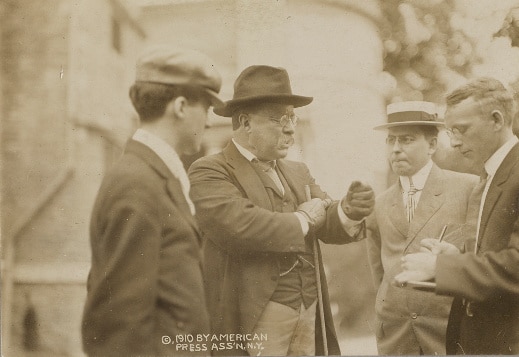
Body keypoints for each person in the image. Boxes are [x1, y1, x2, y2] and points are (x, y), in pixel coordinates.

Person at [188, 65, 375, 356]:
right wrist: (303, 218)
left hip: (308, 308)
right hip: (253, 315)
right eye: (279, 119)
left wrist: (348, 210)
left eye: (292, 117)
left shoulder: (298, 172)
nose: (290, 128)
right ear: (246, 122)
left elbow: (326, 219)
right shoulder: (210, 171)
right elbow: (240, 225)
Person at [81, 46, 223, 356]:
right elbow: (119, 328)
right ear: (182, 106)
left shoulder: (154, 175)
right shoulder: (138, 183)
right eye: (207, 108)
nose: (210, 122)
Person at [396, 77, 519, 355]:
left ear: (497, 120)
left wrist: (442, 269)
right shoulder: (492, 174)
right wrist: (457, 256)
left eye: (461, 130)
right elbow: (498, 252)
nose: (453, 143)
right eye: (450, 132)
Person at [366, 101, 478, 355]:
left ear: (432, 144)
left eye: (406, 140)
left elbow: (480, 260)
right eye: (390, 140)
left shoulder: (469, 188)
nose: (395, 149)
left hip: (449, 331)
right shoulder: (380, 203)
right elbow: (379, 271)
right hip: (396, 334)